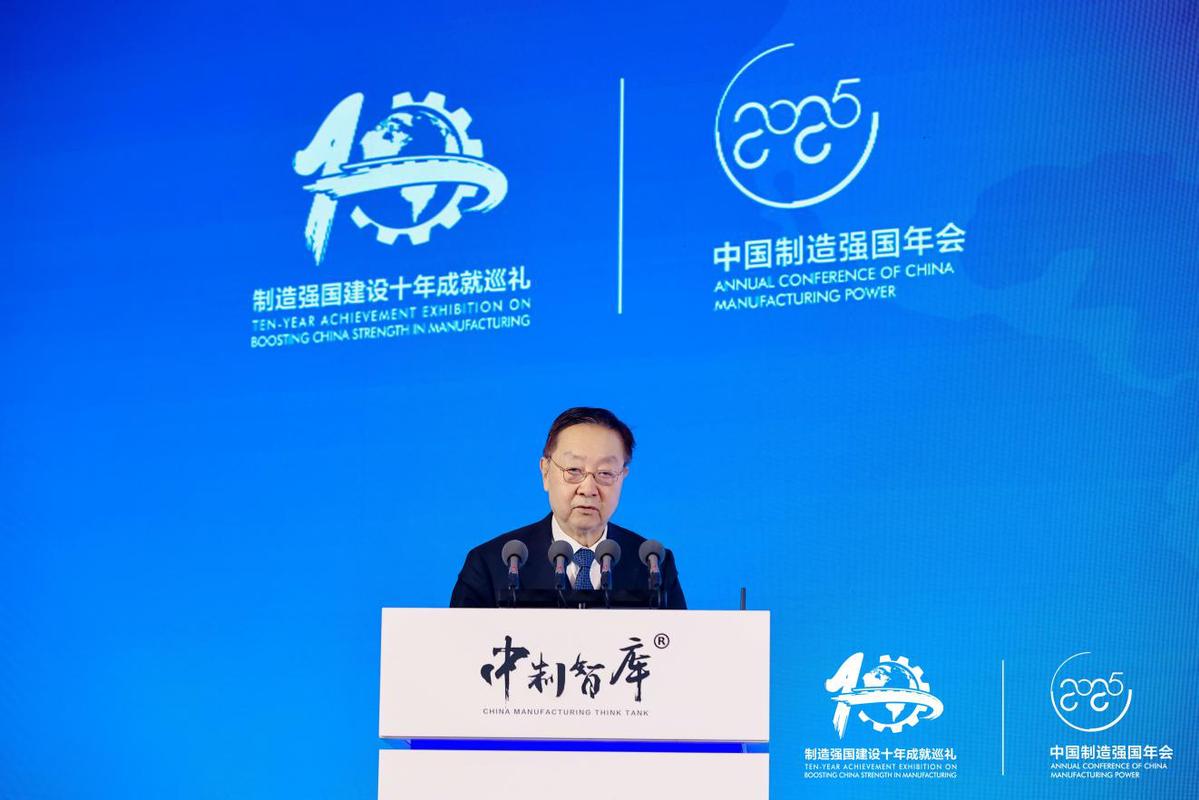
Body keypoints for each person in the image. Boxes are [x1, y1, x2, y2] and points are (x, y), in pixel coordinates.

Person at [449, 407, 686, 608]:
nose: (588, 489)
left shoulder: (653, 565)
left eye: (605, 473)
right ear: (545, 472)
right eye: (574, 470)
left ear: (623, 476)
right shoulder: (490, 565)